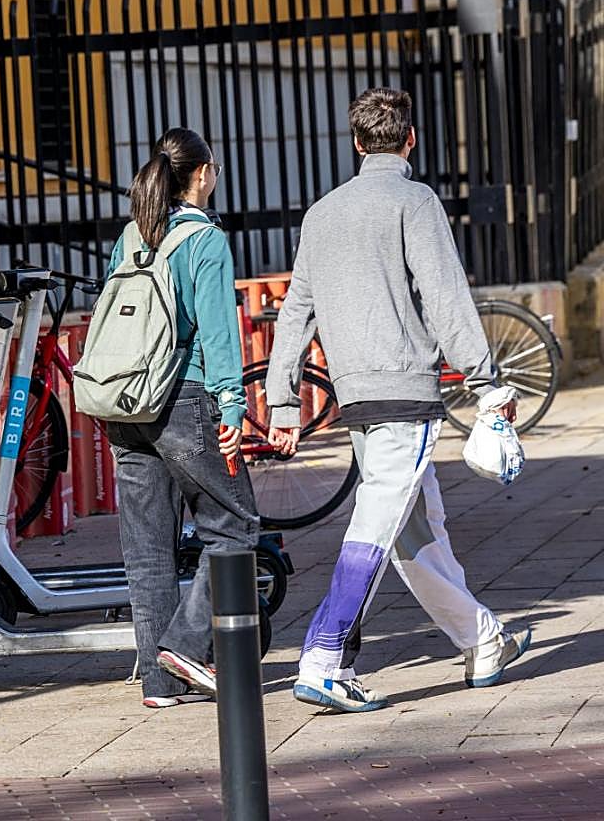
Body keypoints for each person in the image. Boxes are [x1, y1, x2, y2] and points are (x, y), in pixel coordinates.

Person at [264, 87, 531, 714]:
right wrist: (486, 381)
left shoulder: (322, 213)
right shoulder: (416, 200)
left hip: (356, 394)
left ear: (357, 143)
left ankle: (482, 640)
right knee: (381, 522)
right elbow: (445, 294)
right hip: (404, 391)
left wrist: (281, 405)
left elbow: (294, 313)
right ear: (409, 139)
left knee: (419, 531)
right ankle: (325, 657)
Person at [106, 128, 259, 709]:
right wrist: (234, 407)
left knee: (147, 548)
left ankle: (160, 683)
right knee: (236, 526)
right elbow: (219, 334)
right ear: (201, 174)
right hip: (185, 399)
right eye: (213, 167)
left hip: (126, 405)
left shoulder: (132, 236)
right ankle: (187, 647)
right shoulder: (206, 241)